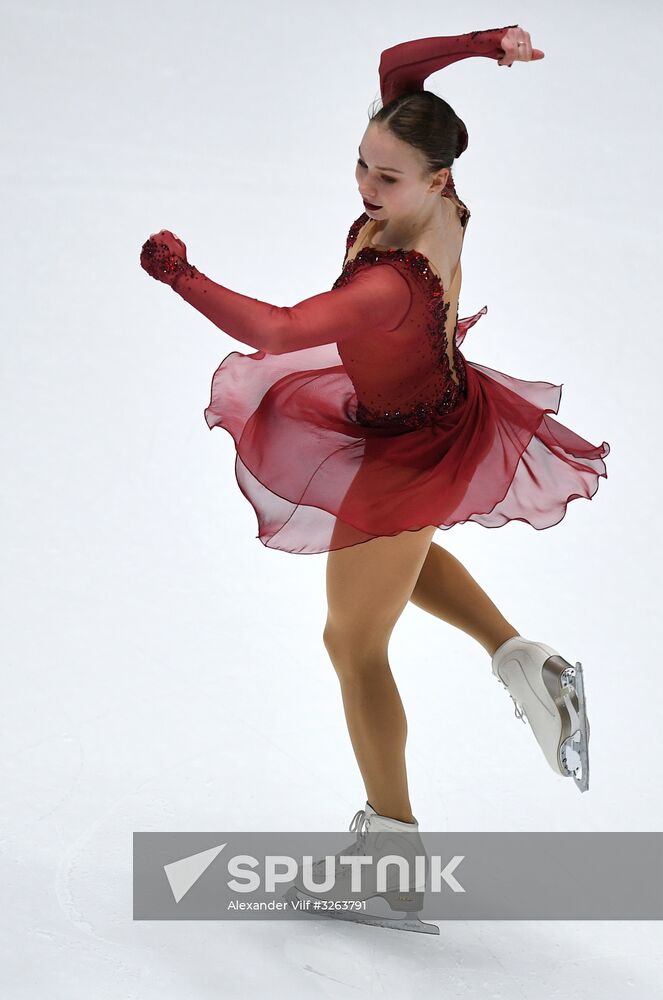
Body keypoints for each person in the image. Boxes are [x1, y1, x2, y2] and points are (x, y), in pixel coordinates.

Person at [141, 25, 608, 932]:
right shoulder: (439, 195)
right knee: (393, 556)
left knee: (352, 645)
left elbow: (279, 332)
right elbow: (401, 69)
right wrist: (485, 42)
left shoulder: (394, 280)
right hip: (434, 412)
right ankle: (527, 663)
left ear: (436, 180)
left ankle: (390, 861)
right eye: (361, 163)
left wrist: (180, 275)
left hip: (406, 446)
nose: (365, 186)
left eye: (385, 178)